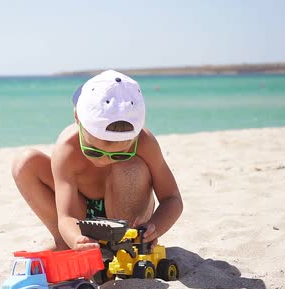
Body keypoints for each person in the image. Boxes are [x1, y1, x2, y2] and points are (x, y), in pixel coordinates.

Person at [11, 70, 183, 251]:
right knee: (25, 162)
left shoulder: (144, 142)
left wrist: (154, 227)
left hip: (129, 218)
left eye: (119, 155)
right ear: (78, 118)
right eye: (94, 152)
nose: (105, 160)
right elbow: (66, 216)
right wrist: (76, 238)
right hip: (81, 215)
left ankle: (122, 244)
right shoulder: (67, 148)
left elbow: (172, 199)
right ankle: (67, 244)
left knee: (129, 167)